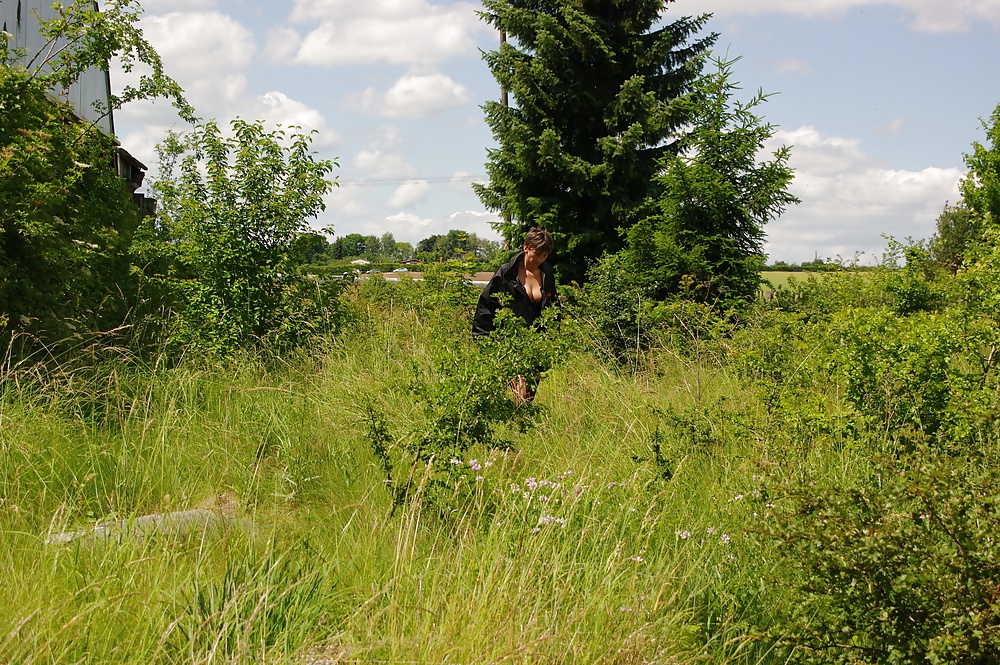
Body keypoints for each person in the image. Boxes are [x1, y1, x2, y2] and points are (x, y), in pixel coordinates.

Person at [472, 227, 556, 404]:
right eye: (537, 253)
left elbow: (553, 309)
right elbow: (486, 306)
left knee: (528, 398)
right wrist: (483, 340)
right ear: (526, 247)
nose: (541, 259)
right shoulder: (506, 273)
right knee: (521, 395)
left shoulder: (547, 274)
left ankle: (517, 427)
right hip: (510, 343)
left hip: (536, 346)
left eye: (545, 255)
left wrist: (552, 340)